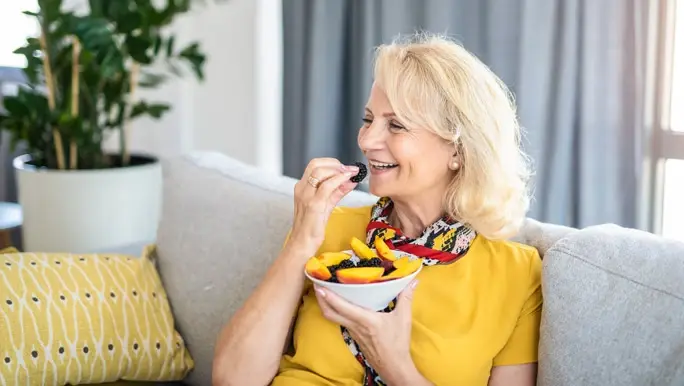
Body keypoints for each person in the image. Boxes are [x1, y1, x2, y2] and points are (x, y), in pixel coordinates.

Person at [212, 33, 541, 386]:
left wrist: (393, 363)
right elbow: (232, 379)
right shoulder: (325, 227)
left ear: (458, 151)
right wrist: (301, 243)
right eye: (368, 119)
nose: (367, 140)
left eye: (396, 125)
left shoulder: (516, 275)